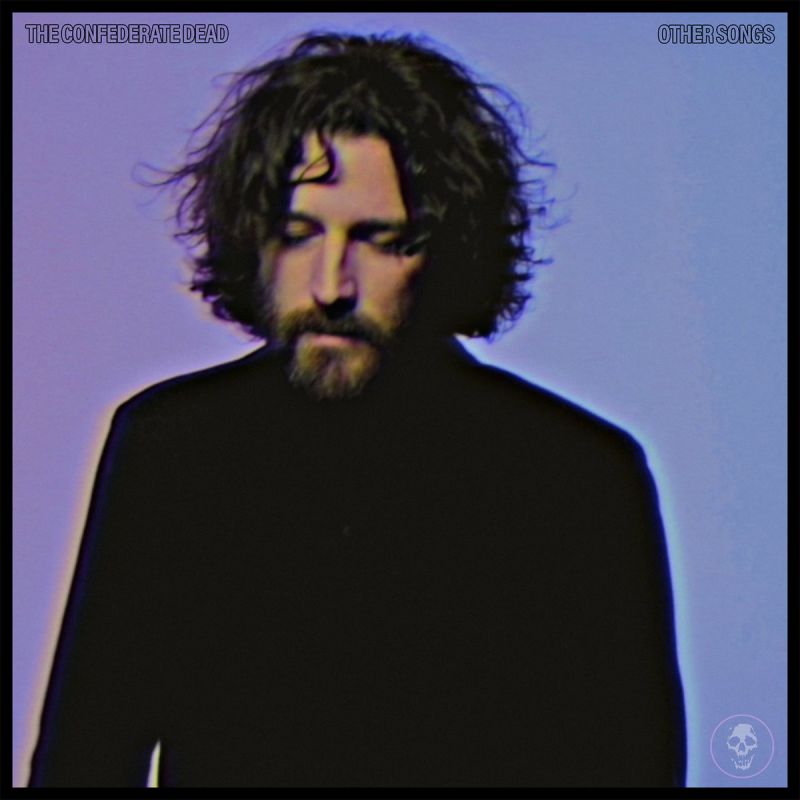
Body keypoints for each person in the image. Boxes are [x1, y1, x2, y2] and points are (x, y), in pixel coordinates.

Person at [29, 32, 686, 788]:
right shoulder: (172, 447)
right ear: (252, 237)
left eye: (381, 241)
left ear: (450, 248)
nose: (332, 285)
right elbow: (83, 760)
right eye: (298, 235)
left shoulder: (575, 475)